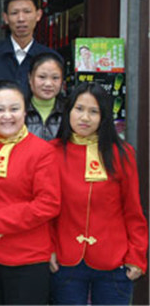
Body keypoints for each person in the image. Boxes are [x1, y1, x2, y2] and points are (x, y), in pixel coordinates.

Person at [0, 80, 60, 304]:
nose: (7, 116)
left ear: (25, 111)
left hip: (27, 256)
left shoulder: (42, 151)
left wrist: (0, 221)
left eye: (14, 109)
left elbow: (48, 203)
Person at [50, 82, 148, 305]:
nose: (85, 117)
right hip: (65, 260)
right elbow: (46, 211)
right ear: (68, 111)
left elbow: (133, 210)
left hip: (114, 261)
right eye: (79, 109)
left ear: (104, 116)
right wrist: (49, 249)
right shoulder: (51, 152)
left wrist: (137, 256)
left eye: (94, 111)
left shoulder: (122, 153)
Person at [0, 0, 61, 94]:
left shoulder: (51, 58)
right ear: (5, 18)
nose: (21, 19)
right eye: (14, 13)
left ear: (38, 15)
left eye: (27, 12)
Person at [25, 52, 65, 141]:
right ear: (30, 78)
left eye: (55, 78)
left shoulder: (69, 111)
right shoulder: (19, 111)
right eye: (42, 77)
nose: (48, 84)